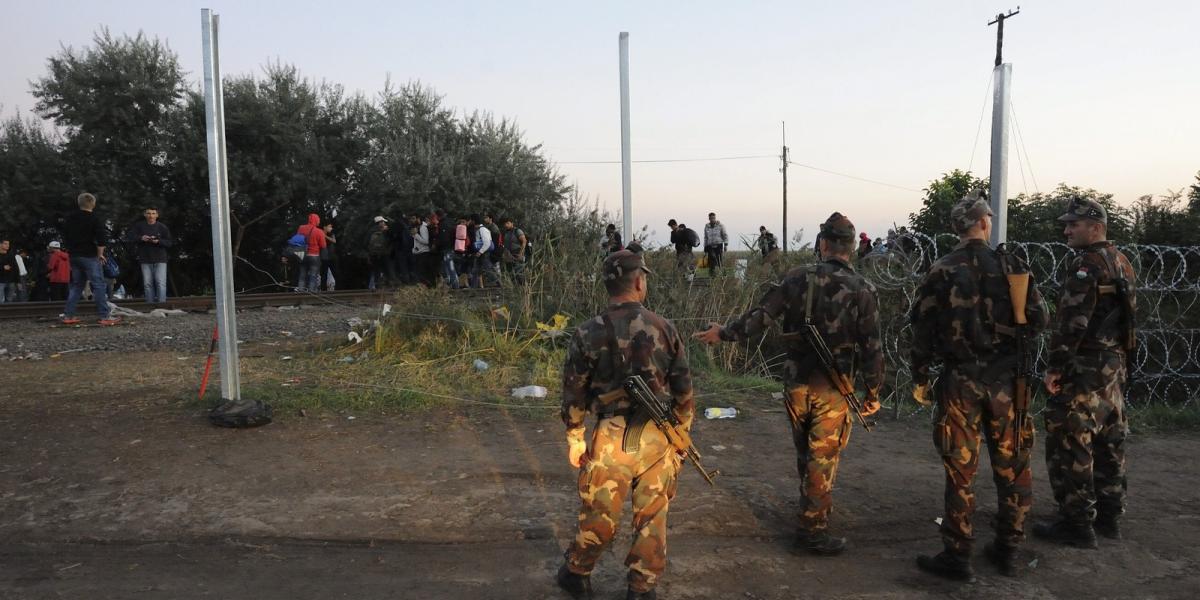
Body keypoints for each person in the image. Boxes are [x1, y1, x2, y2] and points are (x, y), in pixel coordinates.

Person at [694, 212, 882, 556]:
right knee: (822, 455)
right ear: (852, 248)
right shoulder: (862, 289)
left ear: (823, 244)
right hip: (834, 388)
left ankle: (813, 504)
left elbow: (760, 317)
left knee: (805, 450)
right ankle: (812, 530)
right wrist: (872, 391)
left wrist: (724, 333)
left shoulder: (797, 278)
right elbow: (872, 347)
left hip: (796, 383)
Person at [909, 192, 1049, 580]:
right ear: (985, 223)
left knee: (960, 469)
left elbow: (921, 330)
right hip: (1007, 382)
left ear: (958, 228)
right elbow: (1039, 320)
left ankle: (958, 556)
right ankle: (1011, 549)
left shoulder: (942, 269)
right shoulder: (1012, 265)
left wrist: (919, 375)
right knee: (1014, 465)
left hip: (960, 381)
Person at [556, 250, 693, 600]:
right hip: (658, 437)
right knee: (652, 517)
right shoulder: (664, 327)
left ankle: (578, 572)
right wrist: (682, 433)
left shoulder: (587, 331)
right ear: (638, 281)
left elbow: (574, 391)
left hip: (609, 437)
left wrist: (575, 437)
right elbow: (683, 388)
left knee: (600, 513)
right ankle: (642, 588)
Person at [1034, 197, 1136, 549]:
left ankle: (1077, 522)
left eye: (1073, 225)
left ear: (1095, 227)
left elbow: (1072, 322)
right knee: (1110, 440)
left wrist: (1055, 367)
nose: (1066, 230)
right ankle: (1110, 516)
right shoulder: (1122, 262)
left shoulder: (1087, 264)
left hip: (1085, 367)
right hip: (1113, 365)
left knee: (1071, 440)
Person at [61, 192, 118, 325]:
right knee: (98, 285)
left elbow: (65, 236)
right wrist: (100, 254)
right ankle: (105, 316)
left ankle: (68, 315)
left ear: (79, 202)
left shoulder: (70, 218)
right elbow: (102, 239)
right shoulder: (94, 218)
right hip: (89, 256)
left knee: (76, 286)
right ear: (93, 203)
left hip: (74, 255)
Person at [126, 207, 174, 304]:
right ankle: (150, 305)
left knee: (160, 283)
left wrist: (158, 241)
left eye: (153, 213)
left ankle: (161, 305)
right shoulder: (139, 226)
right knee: (148, 284)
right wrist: (141, 238)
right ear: (145, 214)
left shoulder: (162, 227)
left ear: (157, 215)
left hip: (160, 259)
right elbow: (131, 237)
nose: (151, 215)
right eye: (148, 213)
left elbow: (169, 242)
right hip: (145, 259)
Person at [294, 213, 327, 292]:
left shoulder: (301, 228)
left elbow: (297, 240)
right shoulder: (319, 231)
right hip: (314, 255)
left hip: (302, 255)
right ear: (316, 220)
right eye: (318, 220)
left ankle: (301, 293)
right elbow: (323, 246)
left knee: (302, 275)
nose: (319, 221)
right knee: (313, 275)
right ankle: (311, 294)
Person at [468, 214, 496, 288]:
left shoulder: (482, 229)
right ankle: (473, 287)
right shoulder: (478, 229)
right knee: (476, 270)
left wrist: (480, 252)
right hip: (481, 252)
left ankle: (499, 284)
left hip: (484, 253)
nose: (470, 222)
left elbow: (487, 242)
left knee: (488, 269)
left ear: (474, 221)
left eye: (471, 220)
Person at [499, 216, 527, 285]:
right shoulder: (506, 233)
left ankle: (524, 290)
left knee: (519, 274)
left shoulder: (517, 231)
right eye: (505, 224)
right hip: (509, 256)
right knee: (511, 274)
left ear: (512, 223)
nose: (506, 225)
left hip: (517, 254)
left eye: (508, 223)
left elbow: (524, 241)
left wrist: (521, 254)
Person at [368, 216, 392, 290]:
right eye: (383, 222)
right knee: (387, 269)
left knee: (376, 271)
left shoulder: (370, 231)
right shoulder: (384, 230)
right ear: (380, 223)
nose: (384, 223)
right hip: (384, 253)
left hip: (374, 254)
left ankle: (377, 286)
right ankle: (389, 285)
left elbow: (367, 243)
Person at [702, 212, 728, 276]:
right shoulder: (707, 226)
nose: (712, 219)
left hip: (718, 245)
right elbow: (705, 237)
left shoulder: (720, 225)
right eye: (711, 218)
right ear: (709, 219)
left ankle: (722, 274)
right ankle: (712, 274)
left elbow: (724, 235)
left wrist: (725, 244)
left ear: (715, 218)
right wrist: (705, 248)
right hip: (710, 246)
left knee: (719, 260)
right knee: (712, 258)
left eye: (713, 218)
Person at [321, 222, 338, 291]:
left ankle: (337, 289)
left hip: (332, 256)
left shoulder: (331, 234)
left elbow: (334, 241)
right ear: (324, 227)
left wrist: (326, 236)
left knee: (335, 272)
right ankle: (323, 289)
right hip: (324, 257)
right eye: (329, 226)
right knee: (324, 274)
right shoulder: (320, 233)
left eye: (331, 227)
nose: (330, 228)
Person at [0, 238, 16, 303]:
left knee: (9, 301)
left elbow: (15, 268)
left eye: (8, 244)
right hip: (0, 281)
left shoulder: (11, 255)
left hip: (10, 281)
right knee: (1, 301)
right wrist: (2, 267)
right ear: (0, 244)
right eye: (5, 244)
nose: (8, 245)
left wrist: (17, 280)